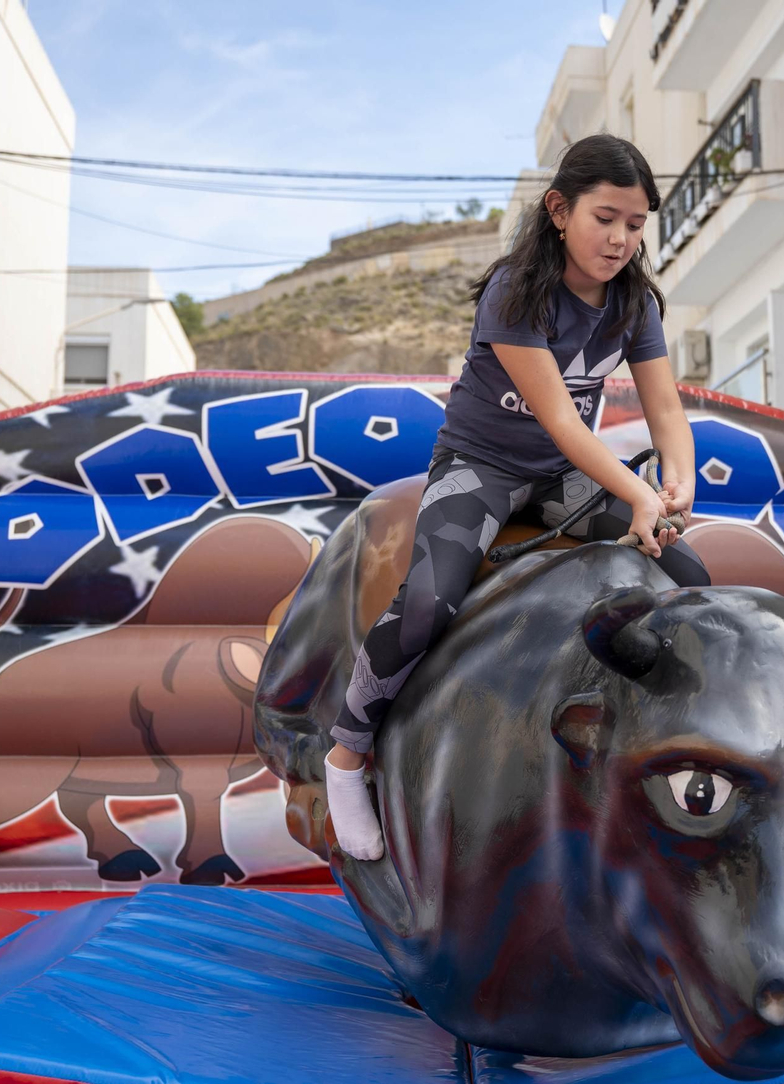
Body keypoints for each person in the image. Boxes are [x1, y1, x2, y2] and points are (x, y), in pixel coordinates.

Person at [324, 134, 711, 861]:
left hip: (563, 477)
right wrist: (635, 492)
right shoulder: (516, 290)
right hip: (482, 466)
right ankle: (346, 757)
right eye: (605, 218)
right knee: (431, 598)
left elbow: (665, 409)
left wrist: (677, 482)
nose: (621, 239)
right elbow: (562, 419)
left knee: (689, 575)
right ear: (560, 211)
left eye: (635, 224)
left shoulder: (634, 303)